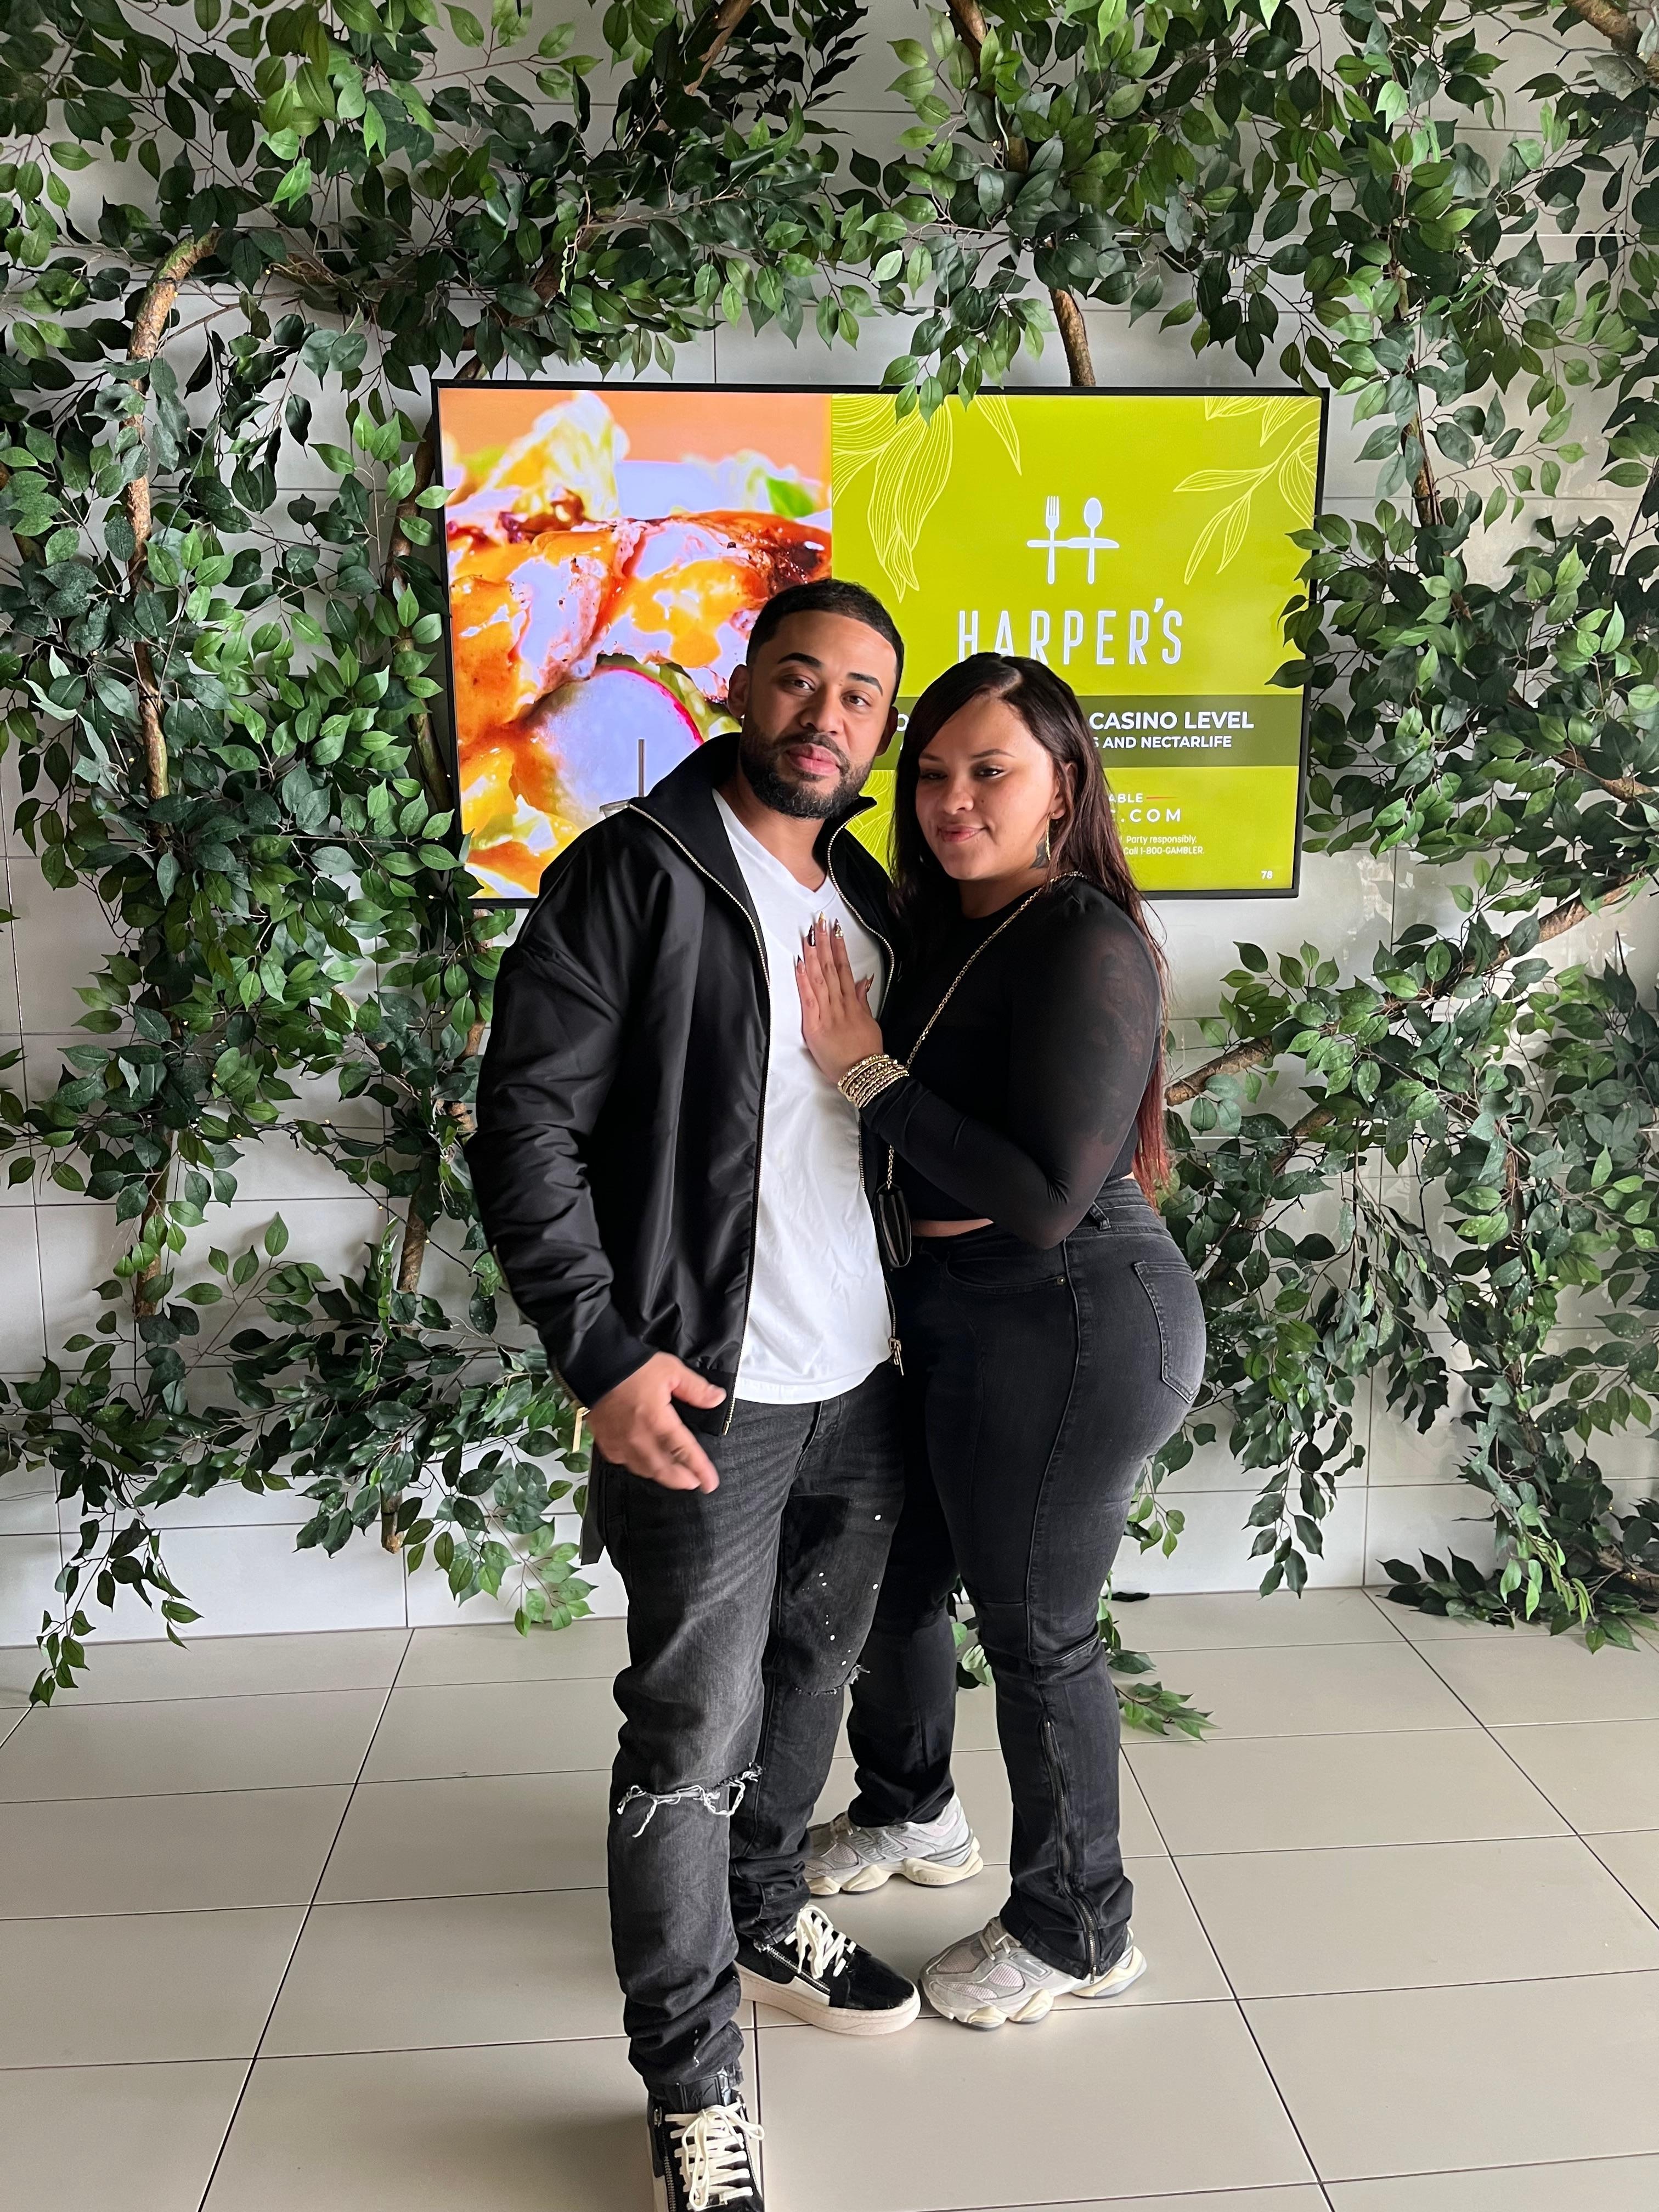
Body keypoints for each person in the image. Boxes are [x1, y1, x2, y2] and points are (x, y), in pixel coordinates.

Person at [467, 580, 921, 2212]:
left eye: (859, 695)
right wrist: (599, 1352)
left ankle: (762, 1907)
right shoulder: (636, 871)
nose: (825, 714)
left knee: (810, 1682)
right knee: (687, 1732)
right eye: (799, 678)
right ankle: (689, 2077)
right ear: (742, 686)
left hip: (865, 1381)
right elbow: (524, 1125)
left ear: (881, 730)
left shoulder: (865, 890)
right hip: (708, 1392)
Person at [794, 652, 1206, 2030]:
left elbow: (1041, 1200)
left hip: (1075, 1317)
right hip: (951, 1311)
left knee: (1038, 1636)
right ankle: (911, 1810)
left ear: (1063, 788)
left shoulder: (1085, 936)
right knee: (897, 1582)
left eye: (992, 771)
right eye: (932, 773)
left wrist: (865, 1070)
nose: (953, 799)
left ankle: (1080, 1929)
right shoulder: (935, 923)